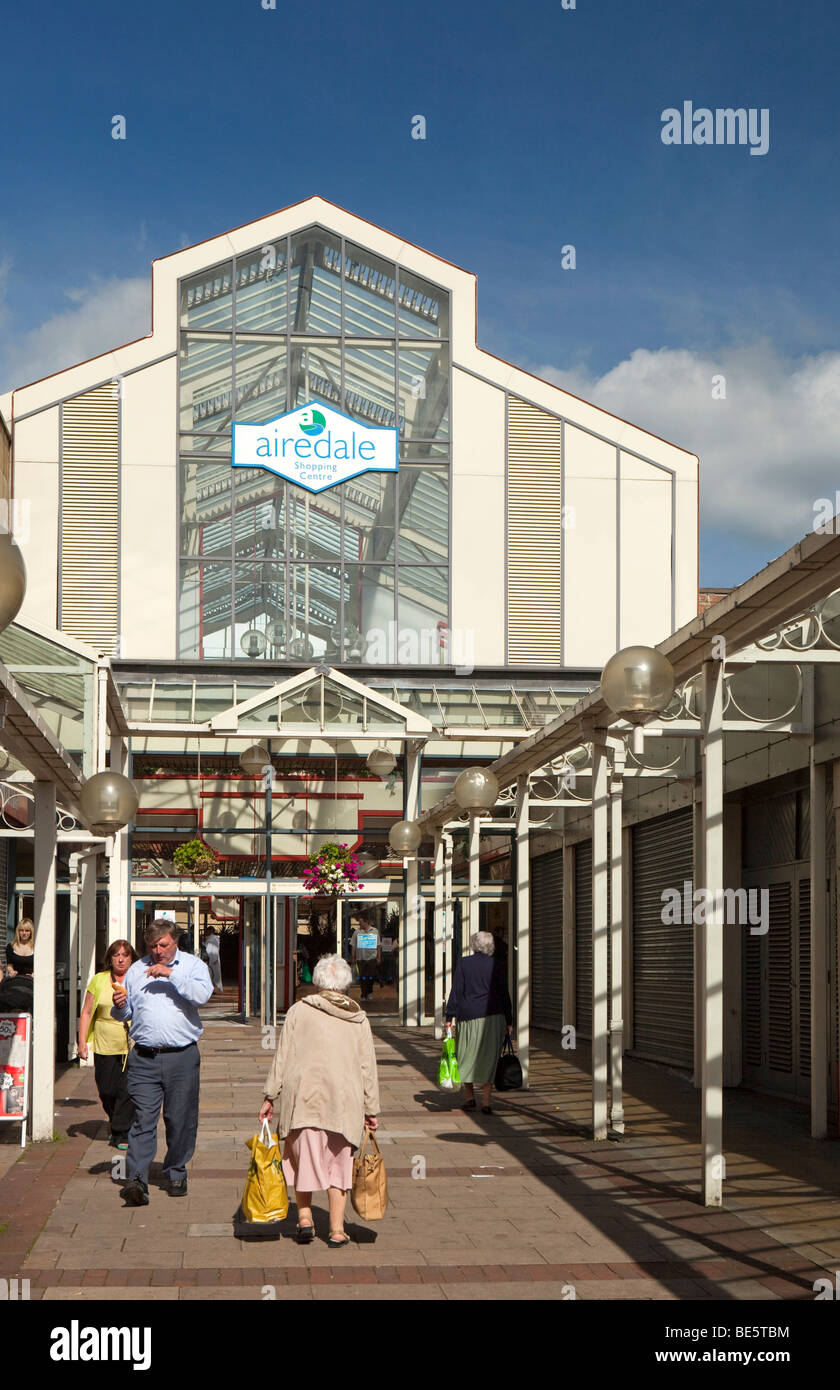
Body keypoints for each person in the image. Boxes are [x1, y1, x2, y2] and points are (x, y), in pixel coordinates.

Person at [259, 953, 379, 1249]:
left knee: (304, 1161)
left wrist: (270, 1094)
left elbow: (283, 1055)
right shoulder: (359, 1018)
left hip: (304, 1100)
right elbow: (367, 1066)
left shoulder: (299, 1010)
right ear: (346, 984)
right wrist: (371, 1108)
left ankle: (304, 1219)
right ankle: (337, 1230)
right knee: (339, 1163)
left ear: (318, 980)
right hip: (344, 1102)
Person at [111, 918, 213, 1205]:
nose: (157, 951)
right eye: (153, 946)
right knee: (143, 1119)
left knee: (180, 1119)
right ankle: (137, 1179)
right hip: (143, 1056)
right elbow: (126, 1012)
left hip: (182, 1056)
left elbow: (202, 996)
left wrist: (170, 974)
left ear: (175, 941)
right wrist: (119, 1008)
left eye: (163, 945)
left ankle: (176, 1170)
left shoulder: (193, 967)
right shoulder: (136, 970)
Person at [77, 939, 138, 1149]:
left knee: (128, 1090)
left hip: (132, 1043)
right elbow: (86, 1012)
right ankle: (115, 1121)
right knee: (107, 1090)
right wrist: (82, 1042)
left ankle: (122, 1133)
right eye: (116, 955)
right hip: (104, 1042)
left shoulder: (136, 979)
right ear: (110, 959)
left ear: (132, 959)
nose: (121, 959)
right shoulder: (99, 980)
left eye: (125, 955)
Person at [445, 931, 513, 1115]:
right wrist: (509, 1019)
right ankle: (486, 1101)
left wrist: (449, 1016)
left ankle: (469, 1097)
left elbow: (457, 991)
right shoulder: (496, 965)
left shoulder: (464, 963)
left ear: (474, 945)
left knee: (466, 1054)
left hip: (468, 1016)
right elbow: (503, 994)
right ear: (490, 946)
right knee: (490, 1058)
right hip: (493, 1016)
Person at [350, 917, 381, 1000]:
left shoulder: (375, 931)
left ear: (366, 922)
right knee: (362, 977)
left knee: (370, 976)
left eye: (361, 922)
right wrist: (353, 958)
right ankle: (363, 993)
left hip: (372, 958)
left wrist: (379, 957)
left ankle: (369, 992)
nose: (359, 924)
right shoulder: (357, 932)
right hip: (361, 958)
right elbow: (353, 945)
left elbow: (378, 945)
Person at [203, 929, 223, 993]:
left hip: (211, 959)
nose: (205, 932)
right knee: (214, 975)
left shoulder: (211, 939)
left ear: (210, 931)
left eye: (207, 931)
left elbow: (207, 948)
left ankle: (213, 989)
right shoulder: (214, 939)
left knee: (212, 975)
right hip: (214, 959)